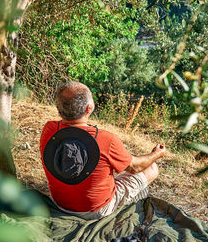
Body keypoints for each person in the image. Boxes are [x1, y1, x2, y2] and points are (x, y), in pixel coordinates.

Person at [40, 81, 166, 220]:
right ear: (89, 108)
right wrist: (156, 154)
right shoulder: (107, 140)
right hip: (97, 211)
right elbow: (135, 167)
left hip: (60, 204)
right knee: (152, 167)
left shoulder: (49, 130)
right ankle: (133, 202)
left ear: (58, 107)